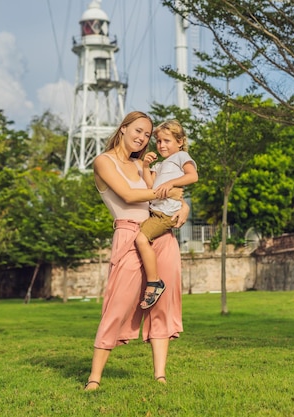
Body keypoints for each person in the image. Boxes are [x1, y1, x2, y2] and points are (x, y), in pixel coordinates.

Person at [85, 111, 188, 391]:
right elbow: (130, 196)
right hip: (129, 235)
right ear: (123, 129)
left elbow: (170, 194)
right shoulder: (103, 162)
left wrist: (184, 206)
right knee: (116, 306)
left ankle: (160, 376)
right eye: (138, 131)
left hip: (160, 233)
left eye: (147, 134)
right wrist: (167, 193)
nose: (142, 138)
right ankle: (94, 378)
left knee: (162, 304)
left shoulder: (142, 166)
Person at [137, 120, 198, 309]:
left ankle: (155, 282)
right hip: (155, 211)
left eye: (167, 141)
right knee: (139, 236)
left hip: (165, 214)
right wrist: (146, 166)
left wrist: (171, 184)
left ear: (180, 142)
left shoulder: (181, 156)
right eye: (159, 141)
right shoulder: (161, 165)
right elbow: (149, 185)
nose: (162, 145)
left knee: (140, 239)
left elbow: (193, 176)